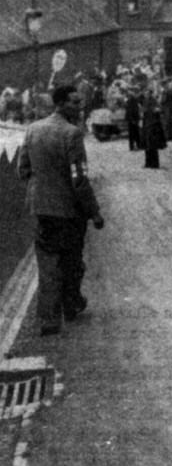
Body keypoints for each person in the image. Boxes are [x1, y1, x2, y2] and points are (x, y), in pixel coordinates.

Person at [17, 85, 105, 336]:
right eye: (74, 103)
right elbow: (79, 179)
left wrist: (43, 184)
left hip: (41, 209)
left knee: (47, 262)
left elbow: (23, 170)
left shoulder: (33, 129)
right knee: (72, 260)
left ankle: (49, 318)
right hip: (68, 210)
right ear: (60, 104)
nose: (79, 108)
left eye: (80, 103)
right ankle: (70, 302)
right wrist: (94, 212)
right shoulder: (72, 134)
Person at [142, 91, 167, 169]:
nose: (146, 95)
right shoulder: (146, 101)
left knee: (152, 145)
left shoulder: (153, 101)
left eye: (147, 94)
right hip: (148, 125)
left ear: (150, 94)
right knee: (148, 146)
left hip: (153, 126)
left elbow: (156, 111)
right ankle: (148, 163)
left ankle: (154, 163)